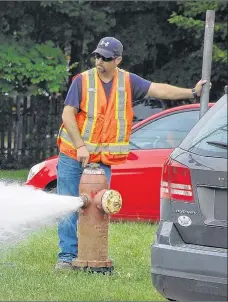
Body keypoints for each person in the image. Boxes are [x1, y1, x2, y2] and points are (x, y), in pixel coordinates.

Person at [55, 37, 208, 271]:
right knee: (68, 206)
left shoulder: (128, 81)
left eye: (106, 58)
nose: (99, 61)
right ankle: (67, 256)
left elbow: (159, 89)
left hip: (101, 161)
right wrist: (80, 146)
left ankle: (93, 256)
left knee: (99, 207)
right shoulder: (82, 81)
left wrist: (191, 92)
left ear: (118, 60)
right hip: (72, 155)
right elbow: (67, 115)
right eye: (97, 56)